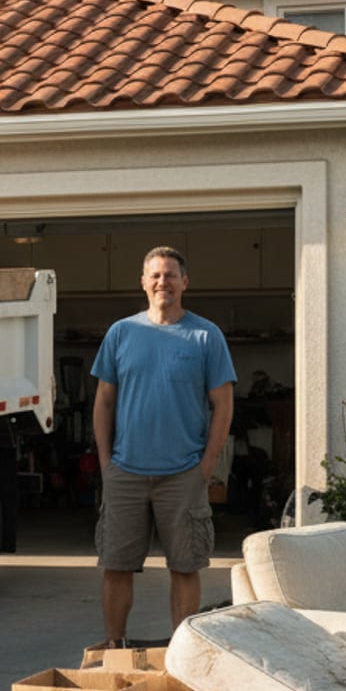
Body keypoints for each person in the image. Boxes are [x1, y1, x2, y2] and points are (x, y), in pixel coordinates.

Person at [91, 246, 235, 647]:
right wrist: (106, 464)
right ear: (143, 281)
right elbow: (103, 401)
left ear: (185, 282)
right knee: (116, 566)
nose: (162, 282)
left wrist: (206, 466)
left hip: (183, 474)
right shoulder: (122, 333)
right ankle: (114, 646)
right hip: (125, 472)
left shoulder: (206, 336)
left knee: (185, 567)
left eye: (170, 275)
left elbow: (223, 405)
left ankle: (183, 655)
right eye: (155, 275)